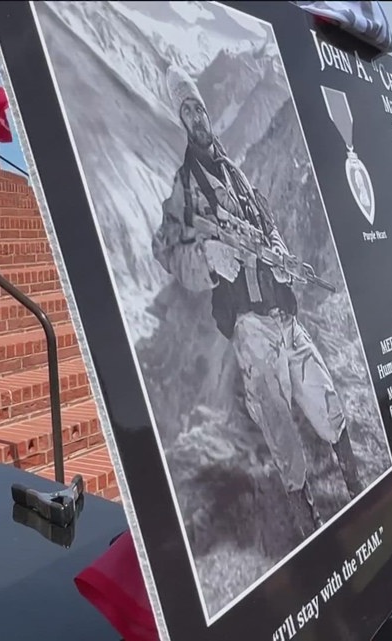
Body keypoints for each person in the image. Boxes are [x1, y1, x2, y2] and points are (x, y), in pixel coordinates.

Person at [152, 66, 363, 528]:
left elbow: (266, 228)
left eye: (198, 106)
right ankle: (305, 515)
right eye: (186, 109)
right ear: (181, 121)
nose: (196, 115)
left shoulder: (235, 173)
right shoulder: (184, 186)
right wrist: (207, 256)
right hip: (249, 322)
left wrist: (283, 256)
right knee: (278, 422)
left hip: (282, 310)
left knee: (325, 398)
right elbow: (165, 248)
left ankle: (354, 482)